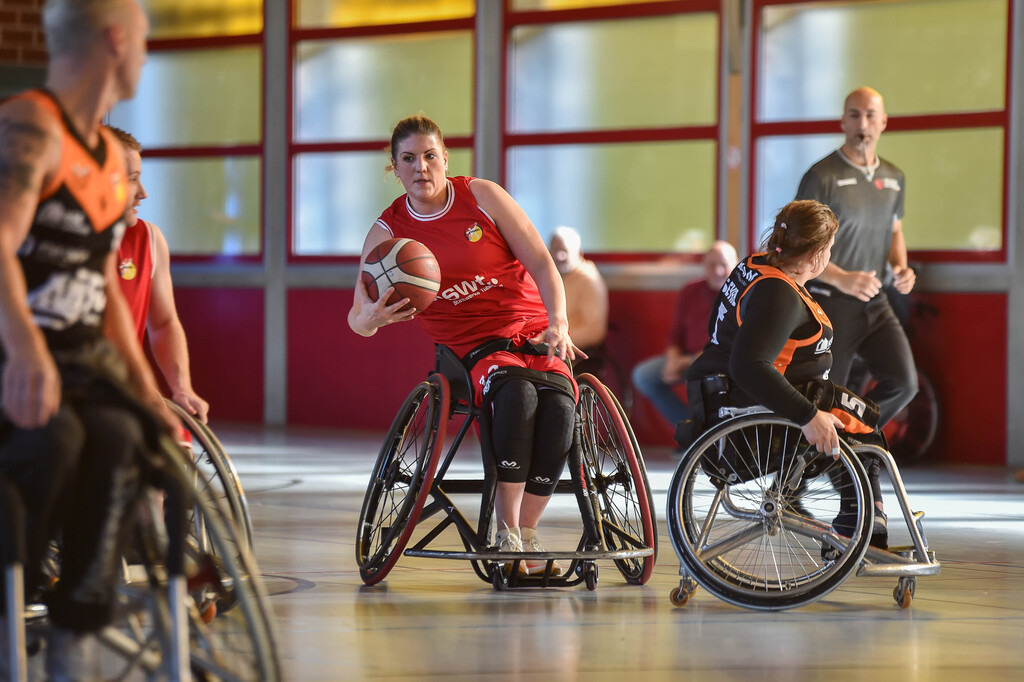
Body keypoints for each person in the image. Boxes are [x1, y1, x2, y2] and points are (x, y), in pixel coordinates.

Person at [0, 0, 174, 677]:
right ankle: (16, 596)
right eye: (145, 41)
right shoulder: (28, 127)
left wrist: (145, 389)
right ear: (115, 39)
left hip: (77, 359)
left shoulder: (106, 159)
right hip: (15, 353)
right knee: (60, 438)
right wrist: (23, 350)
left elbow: (104, 299)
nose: (146, 55)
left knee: (126, 436)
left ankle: (77, 623)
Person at [349, 115, 583, 576]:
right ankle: (507, 530)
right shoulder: (388, 233)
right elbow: (357, 319)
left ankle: (529, 533)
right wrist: (371, 318)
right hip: (472, 347)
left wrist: (559, 321)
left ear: (445, 158)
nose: (421, 168)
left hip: (531, 327)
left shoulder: (482, 196)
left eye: (429, 156)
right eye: (409, 159)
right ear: (394, 168)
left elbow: (540, 260)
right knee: (517, 395)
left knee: (560, 408)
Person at [685, 200, 888, 548]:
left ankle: (864, 516)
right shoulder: (779, 295)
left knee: (846, 414)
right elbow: (748, 365)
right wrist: (808, 415)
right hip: (748, 423)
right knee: (860, 421)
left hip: (724, 399)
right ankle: (863, 519)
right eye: (830, 249)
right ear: (816, 256)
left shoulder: (757, 265)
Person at [795, 86, 917, 427]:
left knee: (904, 384)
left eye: (870, 115)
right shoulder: (821, 176)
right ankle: (805, 471)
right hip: (829, 302)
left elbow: (895, 231)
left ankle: (851, 439)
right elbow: (801, 248)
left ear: (883, 122)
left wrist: (901, 267)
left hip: (875, 300)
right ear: (843, 123)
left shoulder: (894, 177)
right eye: (855, 115)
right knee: (826, 395)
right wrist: (842, 277)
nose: (863, 122)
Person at [108, 125, 209, 423]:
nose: (143, 193)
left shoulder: (149, 239)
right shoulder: (54, 244)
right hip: (79, 390)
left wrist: (182, 388)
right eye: (132, 180)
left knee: (179, 447)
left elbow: (164, 324)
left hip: (128, 389)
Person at [631, 241, 737, 427]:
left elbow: (729, 344)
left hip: (720, 362)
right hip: (687, 359)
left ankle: (710, 436)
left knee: (708, 374)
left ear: (735, 266)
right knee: (644, 376)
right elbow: (676, 333)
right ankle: (691, 432)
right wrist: (673, 359)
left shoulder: (741, 295)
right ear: (704, 266)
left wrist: (686, 362)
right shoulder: (691, 291)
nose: (718, 271)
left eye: (724, 265)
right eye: (712, 265)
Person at [548, 225, 608, 378]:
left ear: (579, 254)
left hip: (573, 354)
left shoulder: (588, 280)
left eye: (565, 251)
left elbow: (595, 332)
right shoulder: (552, 276)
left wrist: (555, 339)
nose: (559, 256)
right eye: (554, 250)